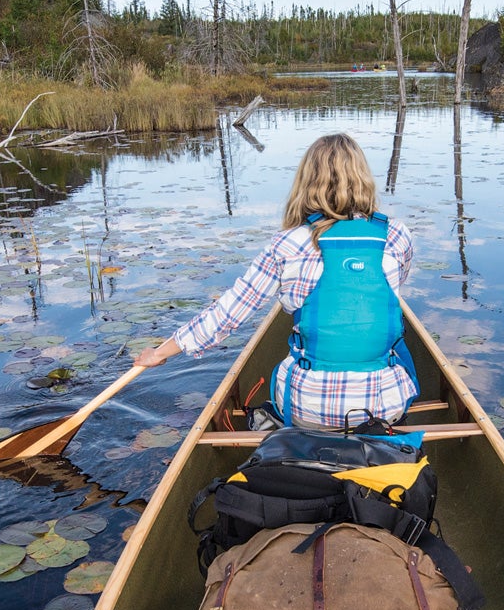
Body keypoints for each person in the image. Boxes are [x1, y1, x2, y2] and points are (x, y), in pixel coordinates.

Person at [133, 132, 416, 430]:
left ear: (307, 182)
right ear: (362, 177)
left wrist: (160, 352)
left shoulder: (287, 244)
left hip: (307, 410)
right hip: (386, 408)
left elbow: (227, 314)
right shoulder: (397, 235)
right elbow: (393, 289)